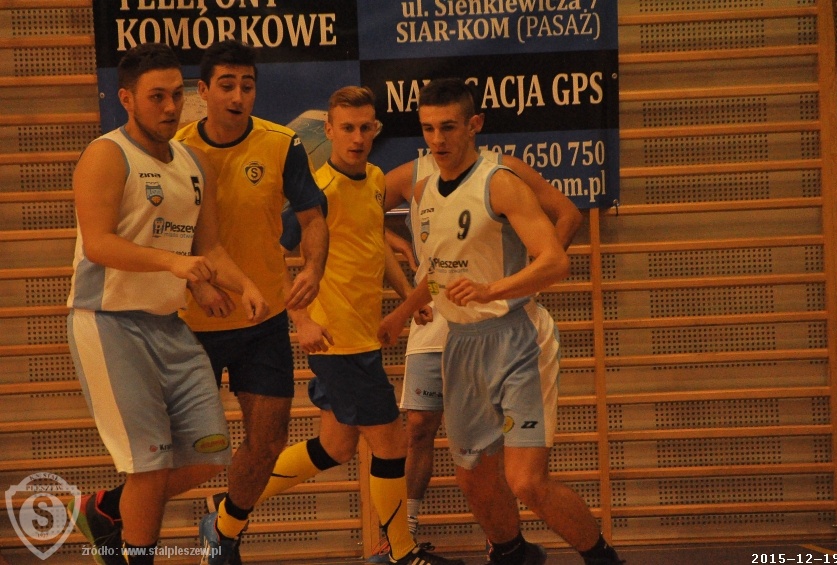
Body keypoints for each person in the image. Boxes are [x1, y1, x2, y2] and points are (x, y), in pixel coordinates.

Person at [198, 85, 464, 565]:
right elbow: (274, 259)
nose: (357, 138)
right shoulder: (318, 191)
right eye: (347, 128)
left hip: (364, 334)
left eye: (365, 128)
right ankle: (400, 552)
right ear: (329, 130)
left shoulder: (376, 178)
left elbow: (373, 243)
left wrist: (405, 296)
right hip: (337, 340)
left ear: (375, 130)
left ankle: (226, 513)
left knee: (336, 445)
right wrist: (301, 319)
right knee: (391, 441)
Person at [378, 78, 623, 565]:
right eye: (428, 128)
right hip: (461, 343)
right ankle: (514, 554)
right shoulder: (424, 190)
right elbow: (438, 272)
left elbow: (555, 261)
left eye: (448, 127)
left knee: (526, 481)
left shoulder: (500, 182)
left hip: (517, 340)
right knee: (472, 475)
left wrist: (495, 289)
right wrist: (401, 314)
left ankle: (603, 559)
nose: (437, 139)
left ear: (474, 125)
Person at [65, 42, 269, 565]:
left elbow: (209, 249)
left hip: (167, 326)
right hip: (108, 323)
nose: (171, 107)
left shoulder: (193, 162)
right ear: (126, 99)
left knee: (209, 454)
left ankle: (105, 510)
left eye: (177, 95)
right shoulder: (106, 154)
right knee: (150, 467)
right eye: (157, 96)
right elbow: (98, 244)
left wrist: (242, 284)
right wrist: (174, 265)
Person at [171, 40, 330, 565]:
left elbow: (312, 217)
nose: (238, 96)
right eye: (227, 85)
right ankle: (118, 517)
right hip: (188, 322)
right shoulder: (175, 148)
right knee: (186, 452)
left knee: (267, 442)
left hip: (261, 320)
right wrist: (197, 283)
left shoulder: (282, 144)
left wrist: (312, 268)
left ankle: (225, 532)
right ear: (203, 91)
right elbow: (161, 234)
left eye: (247, 85)